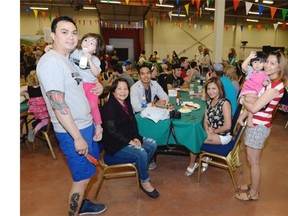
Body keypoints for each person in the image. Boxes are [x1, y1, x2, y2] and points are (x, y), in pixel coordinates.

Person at [36, 16, 107, 215]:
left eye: (74, 32)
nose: (71, 37)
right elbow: (58, 105)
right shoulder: (51, 63)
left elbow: (84, 81)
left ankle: (82, 204)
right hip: (72, 130)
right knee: (82, 178)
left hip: (85, 124)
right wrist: (76, 137)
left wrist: (98, 85)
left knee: (88, 172)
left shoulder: (67, 59)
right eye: (64, 32)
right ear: (52, 35)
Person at [235, 51, 287, 201]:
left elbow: (254, 107)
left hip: (259, 125)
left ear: (280, 67)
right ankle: (253, 186)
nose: (267, 65)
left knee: (254, 161)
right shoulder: (270, 82)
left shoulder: (275, 87)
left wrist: (243, 99)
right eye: (267, 62)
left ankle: (254, 193)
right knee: (251, 160)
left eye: (272, 63)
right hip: (257, 123)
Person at [101, 78, 160, 199]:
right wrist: (130, 141)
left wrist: (136, 137)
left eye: (125, 88)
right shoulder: (108, 108)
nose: (123, 91)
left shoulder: (126, 103)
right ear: (113, 91)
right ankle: (144, 181)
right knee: (141, 153)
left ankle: (140, 170)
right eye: (119, 88)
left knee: (153, 144)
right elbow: (112, 132)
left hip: (128, 139)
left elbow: (133, 124)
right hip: (115, 146)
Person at [45, 33, 105, 142]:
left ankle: (98, 126)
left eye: (92, 43)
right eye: (86, 40)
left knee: (92, 104)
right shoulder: (75, 52)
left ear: (95, 50)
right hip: (78, 84)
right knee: (81, 106)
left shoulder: (95, 59)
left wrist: (90, 60)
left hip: (90, 85)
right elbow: (62, 56)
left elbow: (96, 74)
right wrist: (51, 48)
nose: (87, 44)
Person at [184, 77, 232, 176]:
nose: (211, 91)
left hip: (223, 135)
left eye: (214, 88)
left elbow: (228, 126)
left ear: (220, 89)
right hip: (212, 131)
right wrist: (206, 129)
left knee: (194, 138)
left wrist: (213, 131)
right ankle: (205, 157)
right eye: (208, 89)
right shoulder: (209, 102)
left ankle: (192, 165)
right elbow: (206, 120)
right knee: (195, 133)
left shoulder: (225, 103)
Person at [238, 51, 269, 127]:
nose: (257, 64)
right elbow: (243, 66)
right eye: (255, 62)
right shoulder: (250, 70)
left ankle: (241, 118)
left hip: (256, 94)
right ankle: (249, 119)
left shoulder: (266, 73)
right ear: (252, 63)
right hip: (248, 90)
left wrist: (267, 82)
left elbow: (268, 81)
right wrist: (249, 57)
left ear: (265, 63)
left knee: (252, 106)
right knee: (252, 104)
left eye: (260, 62)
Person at [20, 70, 49, 142]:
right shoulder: (43, 87)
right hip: (45, 113)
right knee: (46, 121)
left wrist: (26, 94)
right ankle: (34, 130)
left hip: (36, 113)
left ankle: (33, 127)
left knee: (40, 119)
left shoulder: (28, 87)